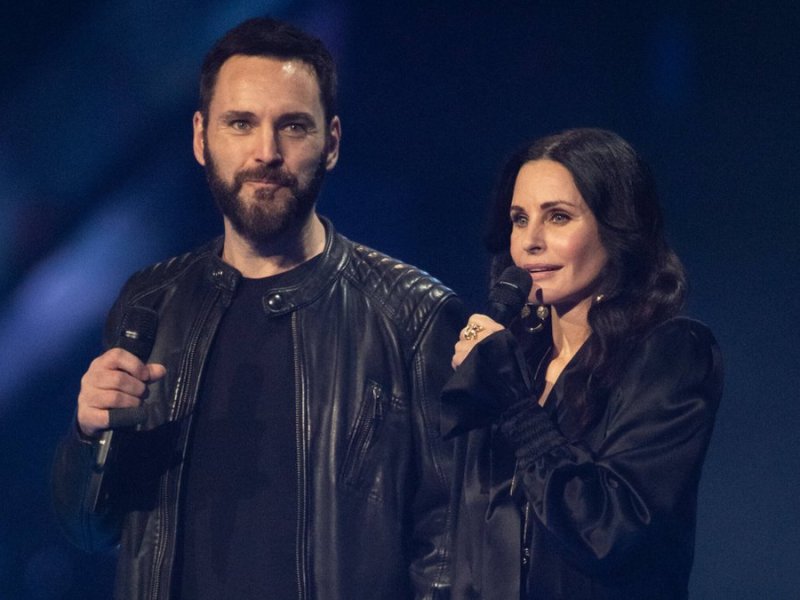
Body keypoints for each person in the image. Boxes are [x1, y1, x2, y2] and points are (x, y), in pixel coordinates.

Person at [51, 17, 463, 600]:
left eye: (292, 126)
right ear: (201, 138)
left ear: (333, 142)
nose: (265, 152)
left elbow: (451, 547)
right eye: (240, 123)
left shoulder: (414, 318)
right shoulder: (150, 302)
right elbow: (91, 530)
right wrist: (89, 434)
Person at [442, 128, 723, 599]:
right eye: (518, 218)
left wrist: (515, 407)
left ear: (617, 230)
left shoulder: (671, 355)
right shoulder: (519, 361)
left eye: (557, 217)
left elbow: (612, 530)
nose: (530, 241)